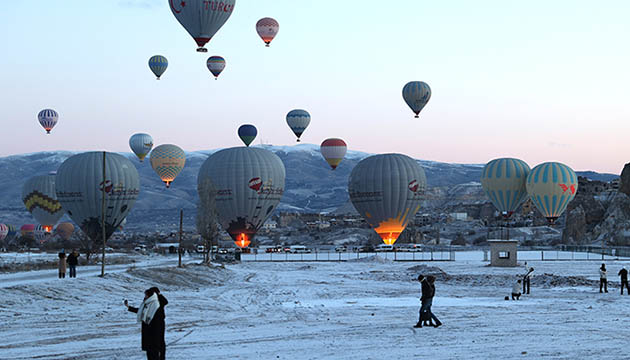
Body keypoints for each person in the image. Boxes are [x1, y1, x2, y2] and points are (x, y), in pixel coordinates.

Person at [125, 288, 167, 360]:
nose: (145, 296)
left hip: (155, 330)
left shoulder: (156, 304)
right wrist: (129, 307)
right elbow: (142, 312)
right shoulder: (148, 303)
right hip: (148, 330)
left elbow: (165, 302)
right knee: (150, 349)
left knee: (156, 348)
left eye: (146, 295)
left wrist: (158, 294)